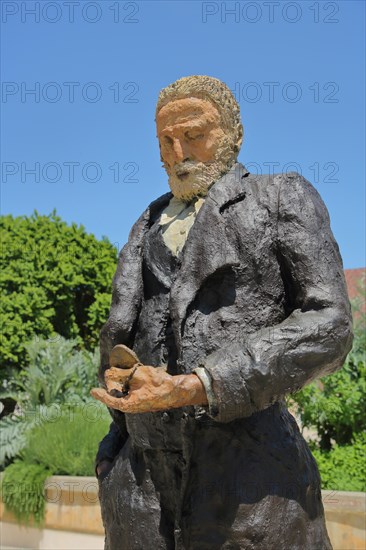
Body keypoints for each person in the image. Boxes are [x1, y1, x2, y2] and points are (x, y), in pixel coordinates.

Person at [91, 75, 353, 550]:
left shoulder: (280, 197)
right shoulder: (145, 223)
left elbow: (329, 322)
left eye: (194, 134)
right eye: (165, 140)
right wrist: (112, 450)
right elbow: (120, 333)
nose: (177, 152)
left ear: (233, 135)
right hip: (139, 492)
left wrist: (200, 384)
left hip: (250, 485)